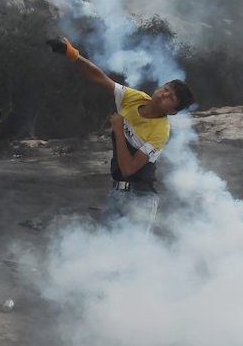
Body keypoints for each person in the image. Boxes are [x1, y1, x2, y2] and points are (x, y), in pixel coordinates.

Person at [48, 36, 195, 229]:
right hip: (117, 191)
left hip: (141, 198)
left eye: (171, 97)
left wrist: (118, 130)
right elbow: (99, 77)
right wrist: (72, 54)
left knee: (130, 255)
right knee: (105, 250)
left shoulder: (160, 131)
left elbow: (129, 169)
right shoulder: (136, 98)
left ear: (173, 111)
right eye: (165, 89)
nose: (164, 95)